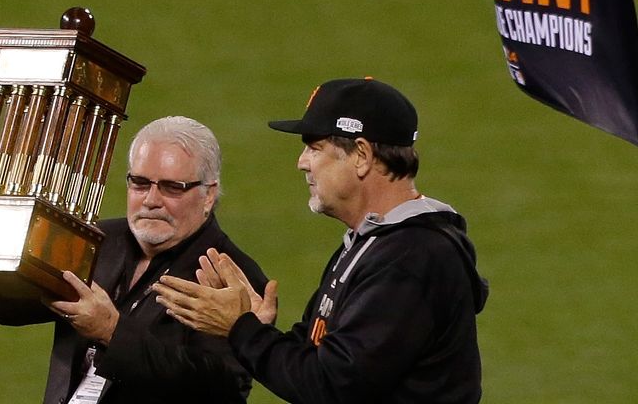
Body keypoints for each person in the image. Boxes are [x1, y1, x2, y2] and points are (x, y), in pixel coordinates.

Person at [154, 78, 490, 403]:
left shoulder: (413, 257)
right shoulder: (369, 243)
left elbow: (332, 386)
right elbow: (312, 359)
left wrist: (240, 329)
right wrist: (255, 326)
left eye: (315, 148)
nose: (302, 163)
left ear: (361, 155)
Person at [0, 116, 269, 404]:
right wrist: (7, 245)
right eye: (140, 183)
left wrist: (111, 331)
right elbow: (2, 308)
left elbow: (220, 393)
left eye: (172, 187)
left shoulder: (232, 277)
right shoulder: (96, 241)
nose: (151, 200)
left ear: (208, 195)